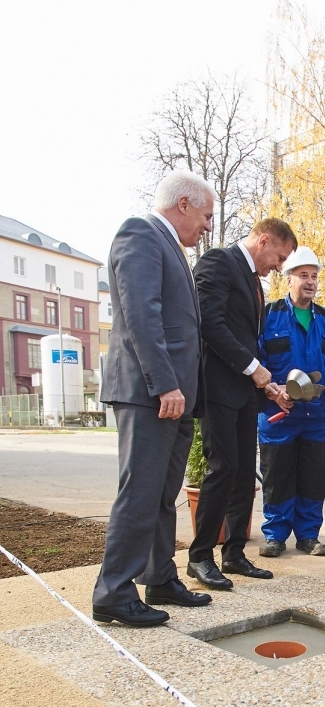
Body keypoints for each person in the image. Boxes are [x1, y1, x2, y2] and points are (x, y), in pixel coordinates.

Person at [92, 171, 216, 627]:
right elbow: (142, 314)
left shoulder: (174, 250)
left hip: (176, 395)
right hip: (151, 392)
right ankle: (113, 592)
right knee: (140, 491)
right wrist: (164, 382)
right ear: (183, 204)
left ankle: (159, 576)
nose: (207, 227)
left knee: (163, 494)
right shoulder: (140, 234)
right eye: (205, 216)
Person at [186, 218, 297, 590]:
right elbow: (210, 325)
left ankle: (233, 553)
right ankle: (200, 557)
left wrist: (265, 383)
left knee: (243, 472)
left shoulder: (252, 282)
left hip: (244, 392)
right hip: (218, 388)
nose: (279, 267)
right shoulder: (219, 263)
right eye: (279, 257)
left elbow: (247, 338)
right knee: (222, 469)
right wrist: (254, 369)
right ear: (263, 240)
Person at [256, 246, 325, 556]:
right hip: (278, 415)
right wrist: (273, 389)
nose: (310, 282)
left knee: (313, 477)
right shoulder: (267, 317)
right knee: (277, 476)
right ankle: (275, 535)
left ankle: (308, 535)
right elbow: (255, 362)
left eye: (314, 276)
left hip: (316, 417)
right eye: (303, 276)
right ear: (288, 279)